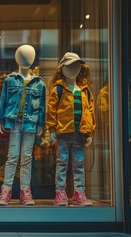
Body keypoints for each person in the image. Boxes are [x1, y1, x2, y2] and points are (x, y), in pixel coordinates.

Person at [0, 44, 46, 206]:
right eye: (24, 56)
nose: (27, 59)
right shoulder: (10, 80)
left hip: (30, 123)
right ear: (17, 58)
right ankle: (6, 190)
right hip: (15, 122)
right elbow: (3, 100)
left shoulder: (39, 83)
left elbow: (43, 107)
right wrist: (0, 119)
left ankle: (25, 191)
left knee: (26, 158)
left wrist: (40, 124)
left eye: (30, 56)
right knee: (12, 157)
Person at [46, 52, 96, 206]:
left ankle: (79, 193)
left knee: (79, 164)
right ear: (62, 68)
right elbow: (51, 109)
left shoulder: (85, 90)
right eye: (70, 65)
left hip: (80, 132)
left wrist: (90, 131)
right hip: (63, 132)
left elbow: (90, 111)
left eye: (76, 65)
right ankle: (60, 193)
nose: (73, 68)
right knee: (62, 163)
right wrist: (52, 128)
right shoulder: (58, 89)